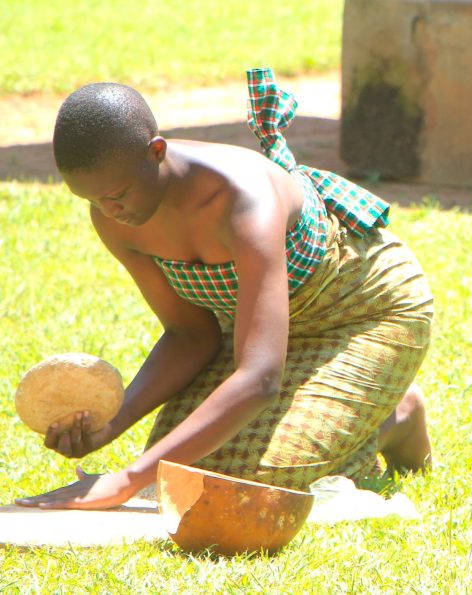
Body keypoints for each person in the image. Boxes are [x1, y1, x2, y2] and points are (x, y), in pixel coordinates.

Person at [16, 69, 434, 510]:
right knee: (185, 476)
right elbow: (191, 335)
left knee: (256, 482)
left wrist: (127, 481)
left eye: (117, 194)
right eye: (92, 200)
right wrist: (109, 423)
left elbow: (260, 378)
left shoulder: (243, 198)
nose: (109, 210)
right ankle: (359, 409)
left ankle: (395, 416)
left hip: (363, 314)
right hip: (258, 330)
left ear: (156, 151)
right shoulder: (113, 215)